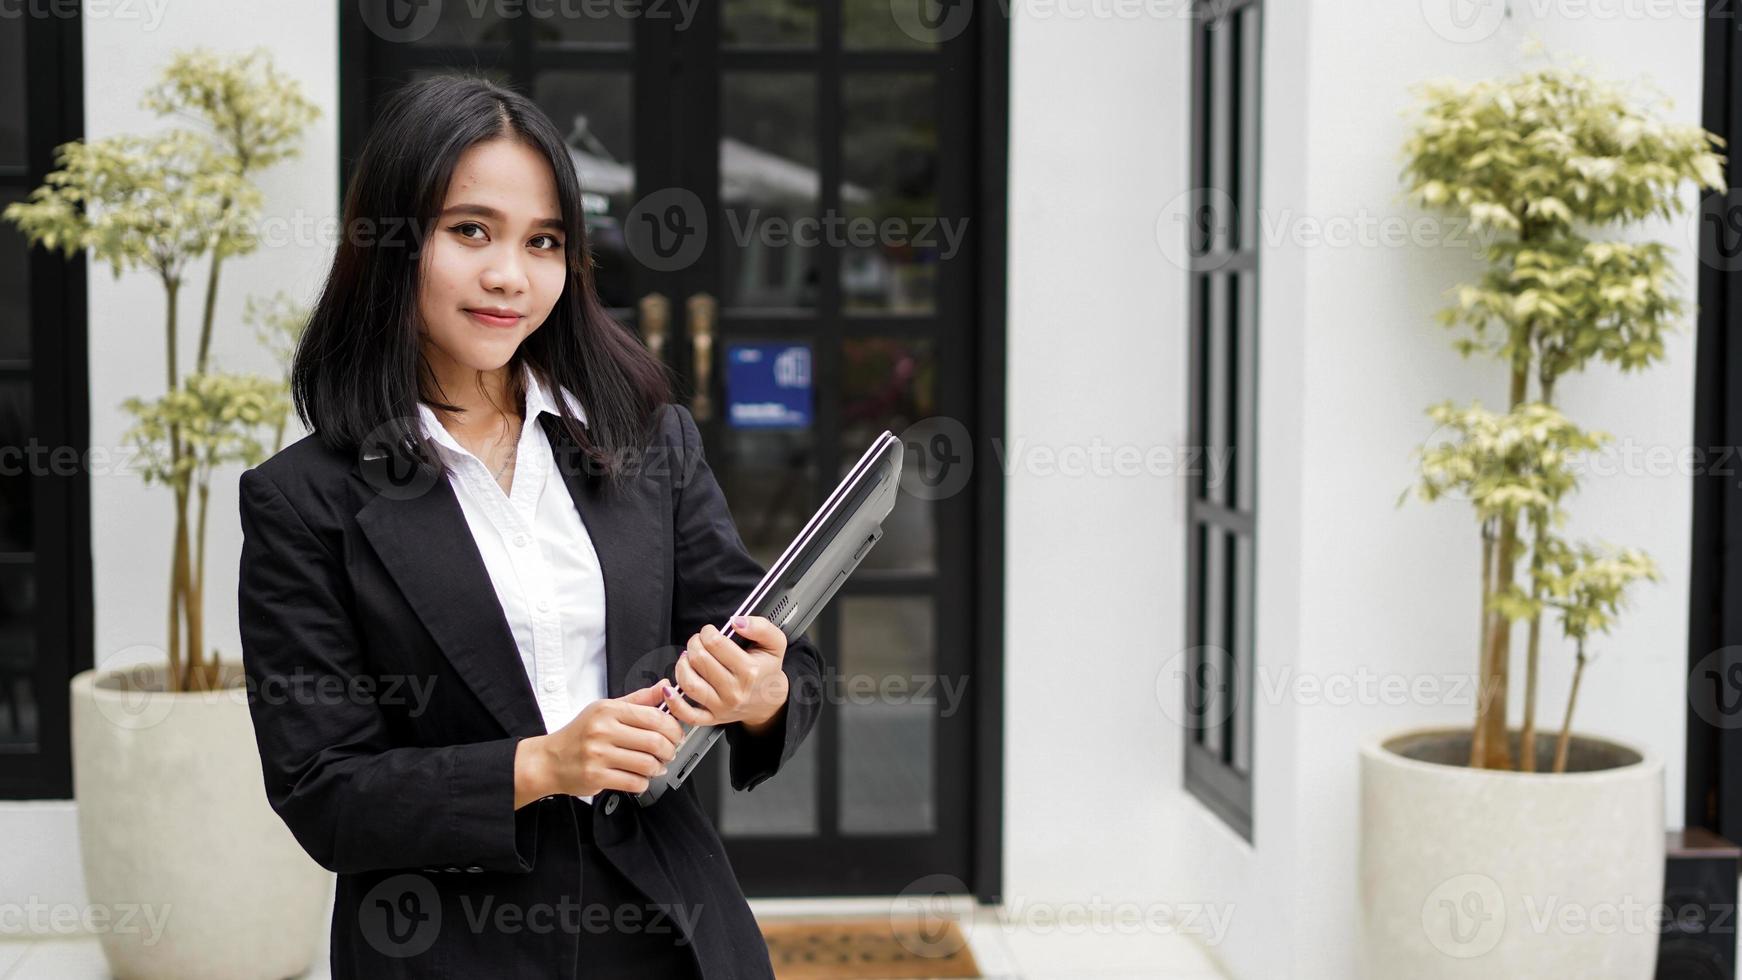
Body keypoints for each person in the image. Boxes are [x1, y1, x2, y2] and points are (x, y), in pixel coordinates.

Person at [235, 73, 822, 980]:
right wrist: (541, 765)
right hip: (448, 944)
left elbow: (781, 658)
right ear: (392, 242)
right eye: (471, 230)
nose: (510, 274)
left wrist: (760, 695)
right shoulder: (306, 501)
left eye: (543, 241)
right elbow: (325, 793)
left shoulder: (645, 438)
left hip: (672, 925)